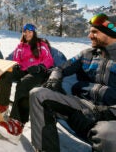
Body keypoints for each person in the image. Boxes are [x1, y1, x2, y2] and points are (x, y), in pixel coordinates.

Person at [29, 13, 116, 152]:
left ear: (110, 32)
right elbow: (61, 68)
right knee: (38, 94)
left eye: (95, 32)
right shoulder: (87, 54)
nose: (89, 35)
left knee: (109, 137)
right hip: (81, 105)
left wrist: (104, 112)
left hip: (110, 116)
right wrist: (54, 78)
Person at [0, 23, 54, 144]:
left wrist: (40, 67)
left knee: (24, 83)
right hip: (24, 70)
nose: (27, 34)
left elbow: (49, 59)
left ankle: (17, 123)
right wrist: (13, 65)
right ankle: (2, 105)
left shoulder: (41, 44)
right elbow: (16, 60)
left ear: (34, 32)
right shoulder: (21, 46)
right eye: (25, 31)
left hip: (38, 72)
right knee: (6, 74)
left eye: (30, 31)